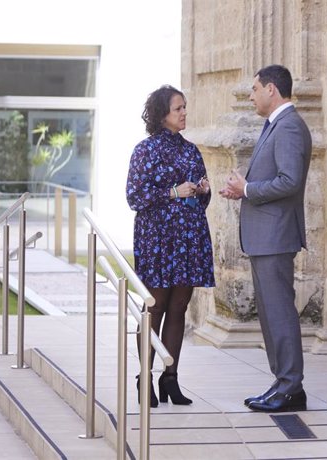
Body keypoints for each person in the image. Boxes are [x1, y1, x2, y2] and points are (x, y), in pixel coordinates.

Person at [219, 65, 312, 412]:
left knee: (280, 314)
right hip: (264, 237)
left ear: (272, 89)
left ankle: (291, 388)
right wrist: (243, 190)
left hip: (275, 237)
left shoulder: (288, 127)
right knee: (271, 316)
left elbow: (289, 181)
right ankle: (282, 384)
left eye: (255, 88)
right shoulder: (275, 125)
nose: (251, 95)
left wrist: (249, 188)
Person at [126, 84, 215, 407]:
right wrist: (174, 193)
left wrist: (203, 190)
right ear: (162, 113)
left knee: (180, 307)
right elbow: (135, 198)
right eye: (178, 108)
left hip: (189, 239)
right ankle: (143, 378)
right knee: (156, 307)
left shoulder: (191, 149)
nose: (184, 113)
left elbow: (202, 199)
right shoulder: (145, 151)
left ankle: (170, 378)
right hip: (158, 240)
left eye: (185, 107)